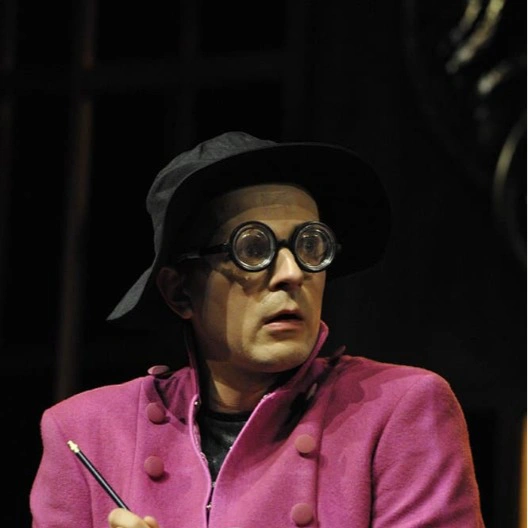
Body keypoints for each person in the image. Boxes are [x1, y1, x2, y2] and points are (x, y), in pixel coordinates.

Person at [30, 131, 485, 527]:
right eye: (252, 248)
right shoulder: (87, 433)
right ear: (180, 292)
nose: (292, 273)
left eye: (310, 245)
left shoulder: (398, 410)